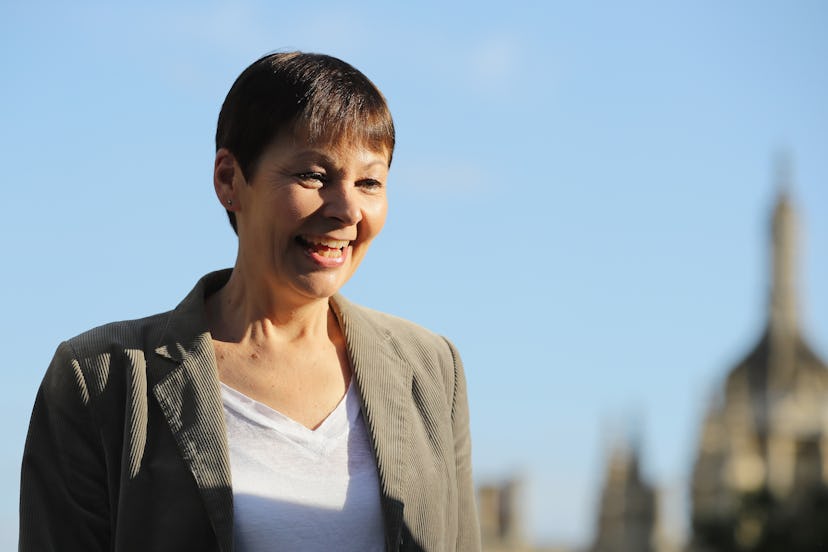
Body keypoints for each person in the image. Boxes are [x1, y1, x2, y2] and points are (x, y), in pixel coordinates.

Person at [20, 52, 481, 551]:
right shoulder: (101, 378)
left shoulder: (432, 371)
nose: (347, 210)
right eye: (314, 175)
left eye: (369, 182)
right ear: (229, 179)